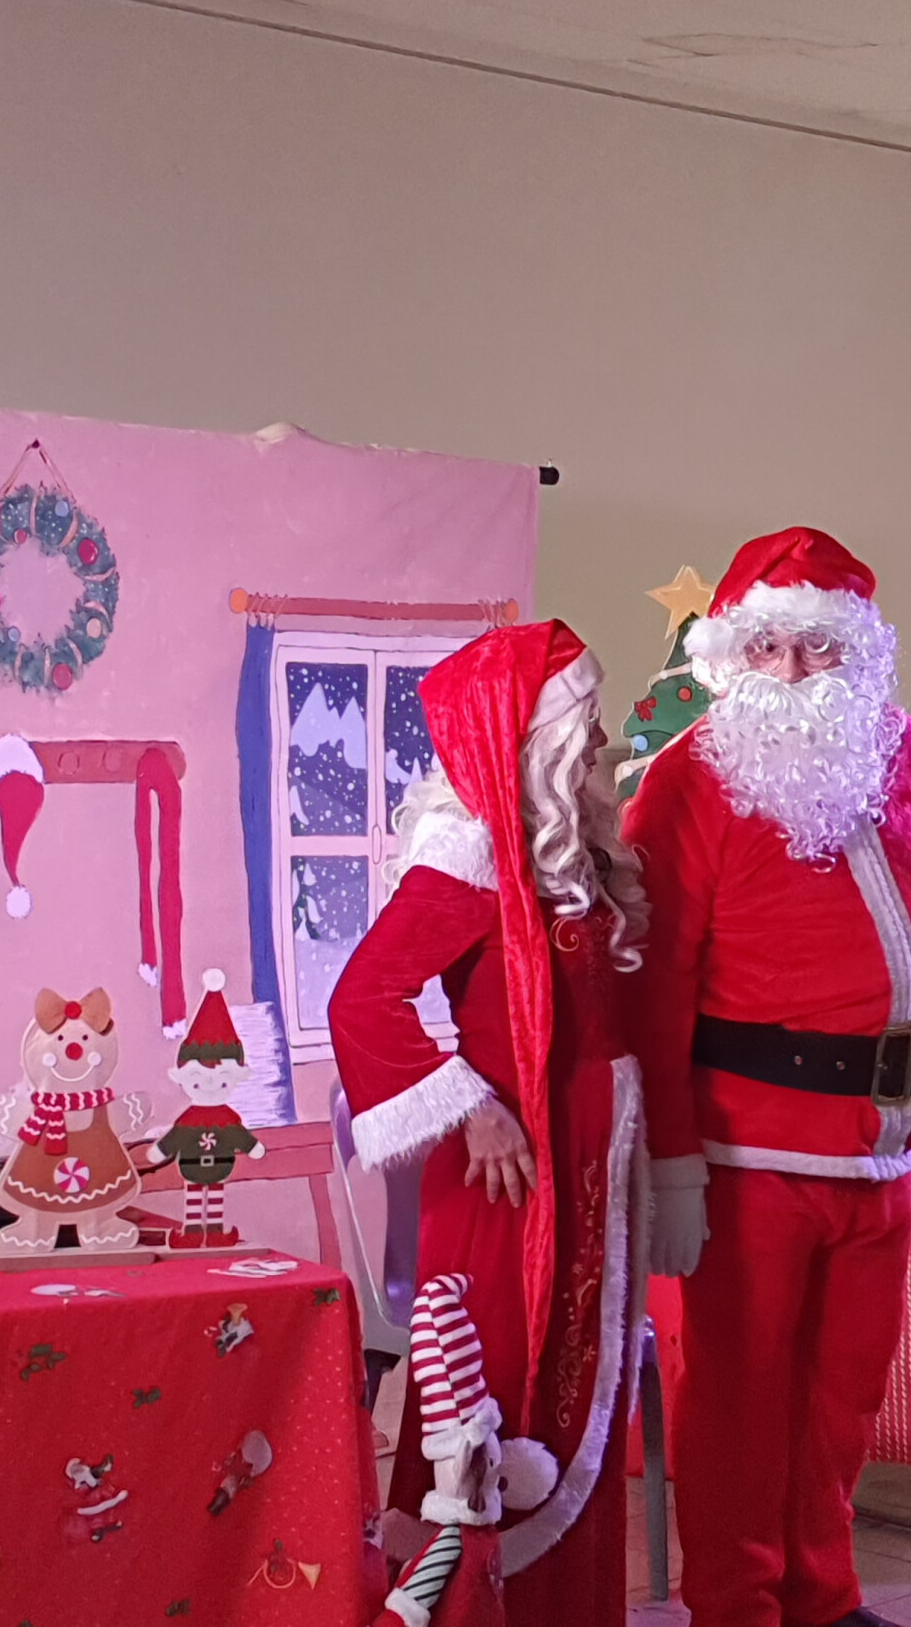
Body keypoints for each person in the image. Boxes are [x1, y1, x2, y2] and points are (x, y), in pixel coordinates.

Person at [625, 527, 911, 1627]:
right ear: (730, 654)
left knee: (843, 1395)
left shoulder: (901, 750)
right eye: (767, 647)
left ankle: (823, 1595)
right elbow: (654, 982)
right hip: (746, 1151)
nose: (794, 672)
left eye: (819, 648)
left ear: (859, 653)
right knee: (737, 1399)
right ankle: (736, 1605)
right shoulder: (687, 778)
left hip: (882, 1141)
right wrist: (673, 1165)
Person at [330, 620, 651, 1627]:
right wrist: (469, 1107)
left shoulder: (562, 844)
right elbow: (364, 997)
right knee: (498, 1400)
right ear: (528, 741)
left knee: (571, 1398)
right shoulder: (469, 847)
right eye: (580, 720)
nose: (596, 738)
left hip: (585, 1169)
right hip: (512, 1185)